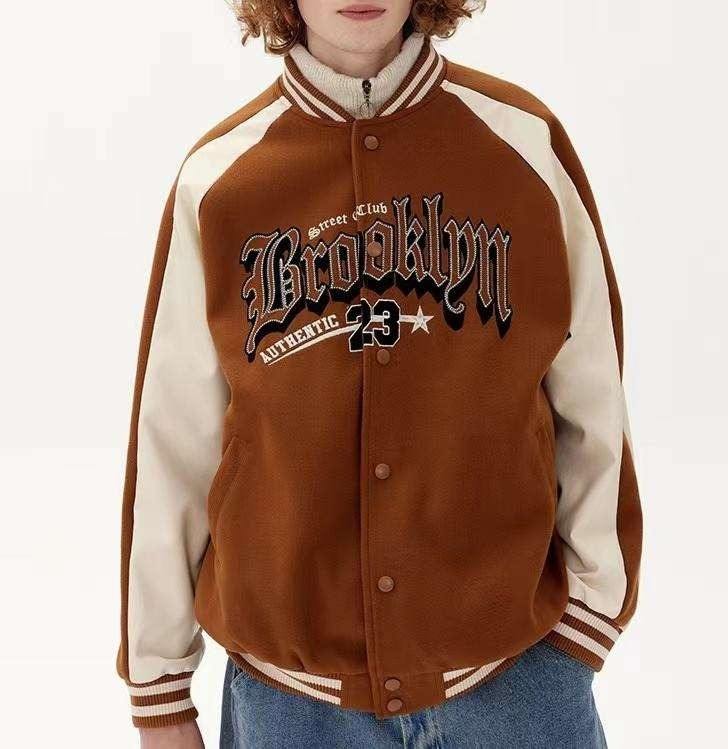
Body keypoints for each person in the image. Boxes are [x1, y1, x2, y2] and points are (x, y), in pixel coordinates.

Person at [117, 1, 643, 746]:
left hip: (515, 679)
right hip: (292, 705)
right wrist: (161, 691)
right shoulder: (221, 179)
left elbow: (593, 397)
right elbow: (173, 442)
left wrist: (588, 618)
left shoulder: (523, 143)